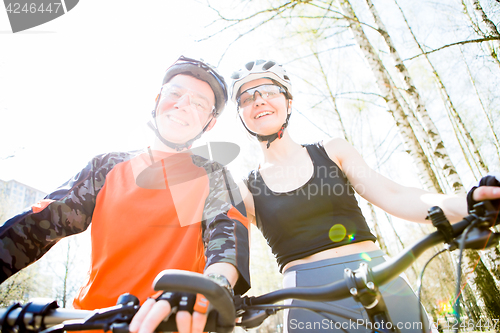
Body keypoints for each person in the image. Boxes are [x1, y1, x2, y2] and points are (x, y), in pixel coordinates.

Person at [229, 59, 500, 332]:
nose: (259, 100)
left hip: (382, 280)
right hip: (309, 306)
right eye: (247, 97)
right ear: (241, 114)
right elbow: (227, 256)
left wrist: (467, 202)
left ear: (288, 101)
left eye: (268, 90)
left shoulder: (332, 150)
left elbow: (395, 194)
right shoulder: (245, 190)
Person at [0, 56, 250, 333]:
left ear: (209, 123)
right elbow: (35, 227)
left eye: (200, 104)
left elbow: (227, 237)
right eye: (175, 93)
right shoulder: (106, 167)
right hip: (89, 322)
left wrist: (212, 289)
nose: (183, 105)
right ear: (157, 99)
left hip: (171, 323)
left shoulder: (214, 176)